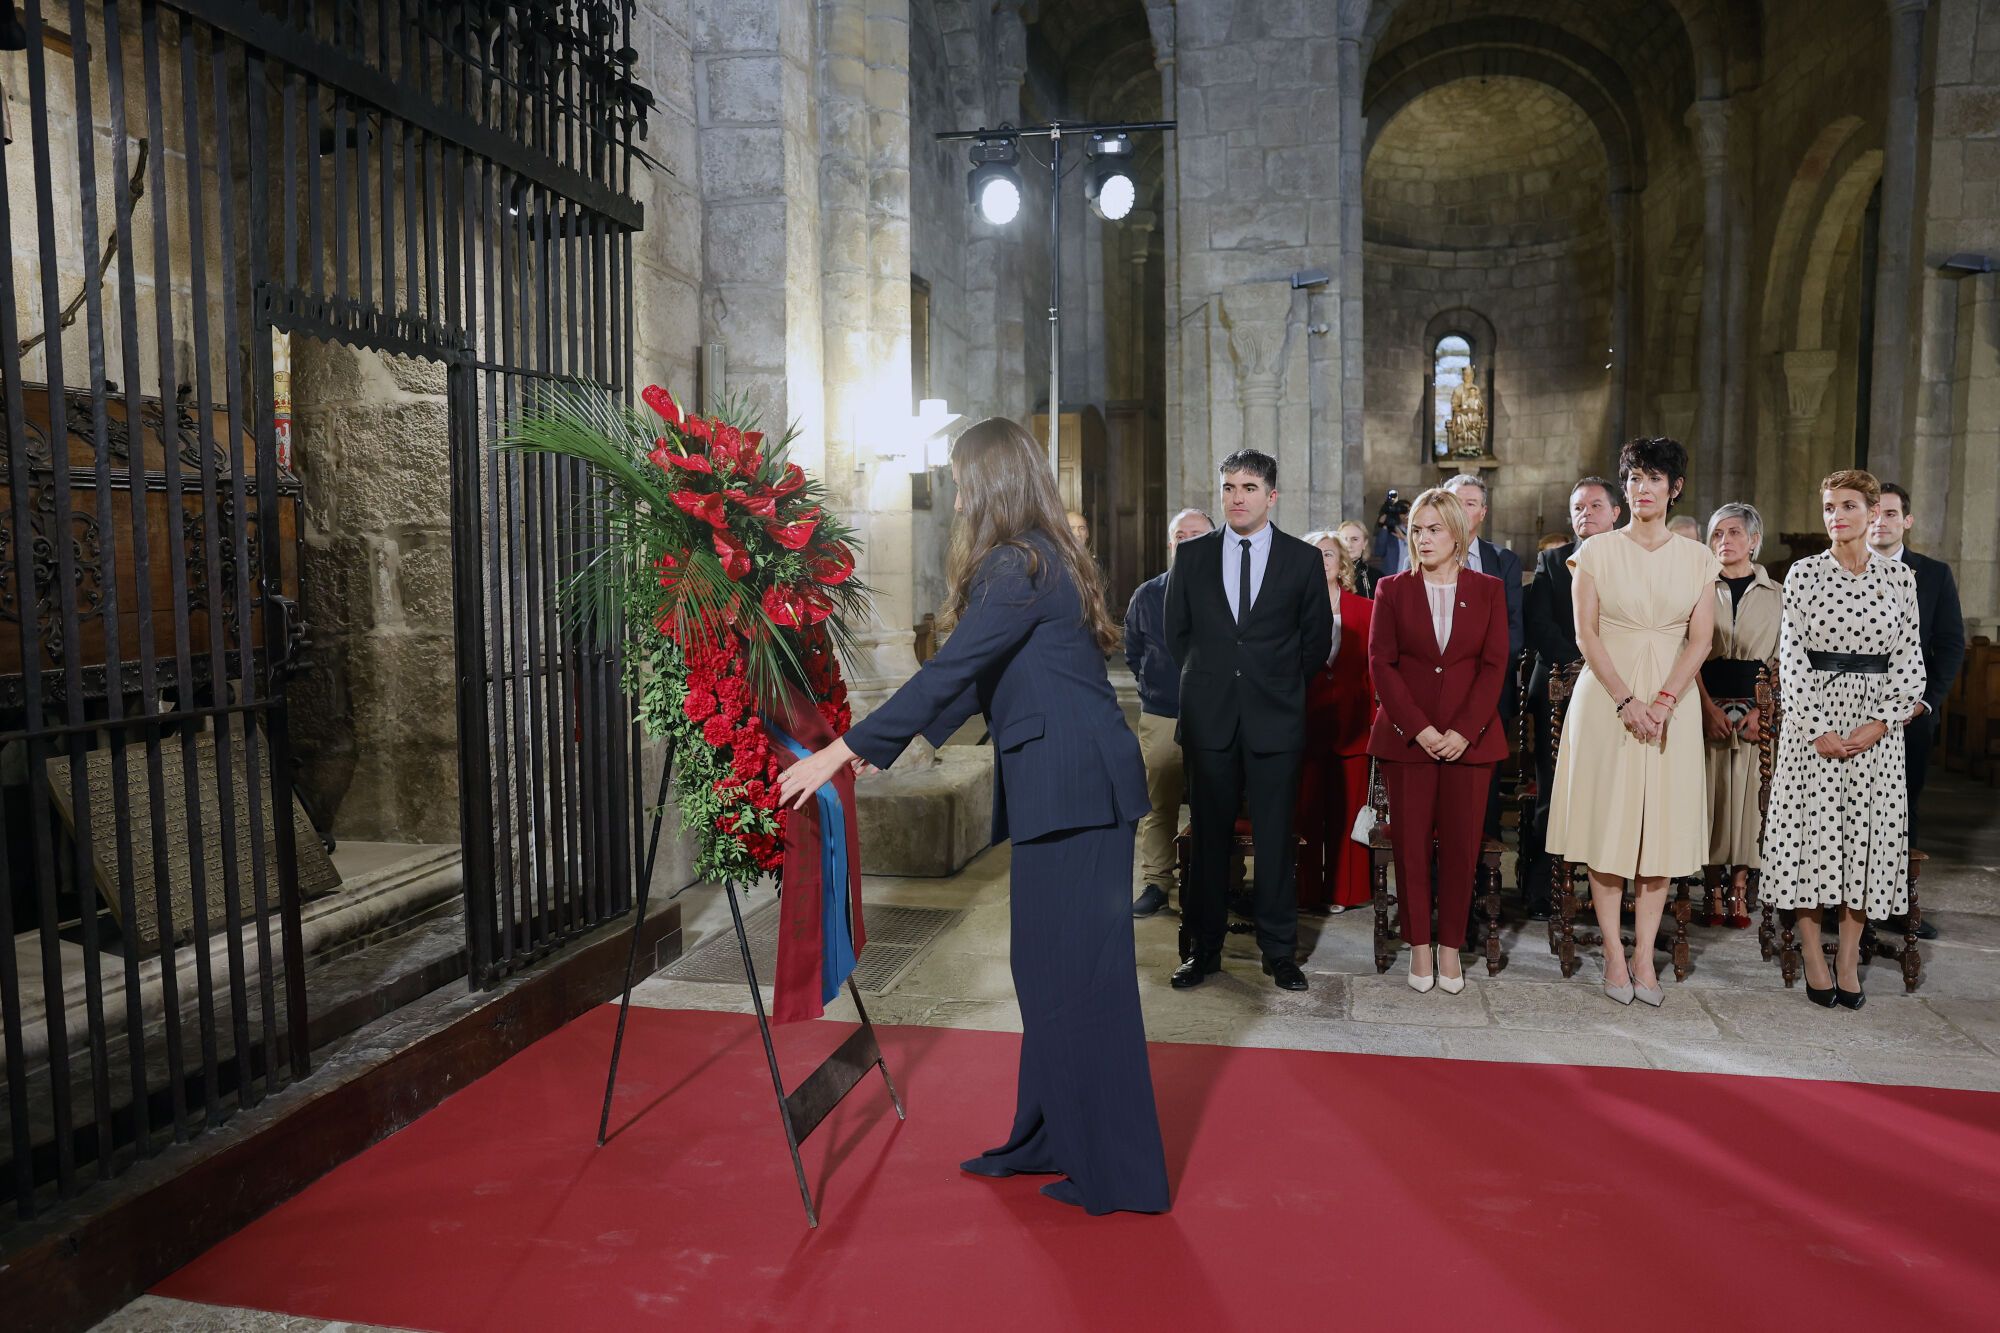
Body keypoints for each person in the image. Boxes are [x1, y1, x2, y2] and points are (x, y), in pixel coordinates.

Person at [776, 417, 1167, 1214]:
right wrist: (893, 745)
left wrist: (837, 753)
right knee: (1048, 971)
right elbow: (966, 680)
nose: (955, 496)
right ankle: (1049, 1135)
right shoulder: (1036, 557)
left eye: (961, 480)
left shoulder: (1015, 563)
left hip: (1076, 788)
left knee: (1081, 982)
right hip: (1070, 784)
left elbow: (949, 668)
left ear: (990, 482)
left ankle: (1119, 1171)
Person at [1546, 438, 1719, 1007]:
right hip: (1606, 701)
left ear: (1675, 489)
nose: (1643, 489)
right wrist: (1626, 701)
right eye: (1634, 479)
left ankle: (1646, 955)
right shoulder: (1595, 552)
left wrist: (1667, 700)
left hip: (1673, 701)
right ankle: (1615, 961)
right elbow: (1586, 634)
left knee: (1660, 832)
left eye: (1654, 479)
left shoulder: (1697, 558)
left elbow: (1701, 639)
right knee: (1609, 828)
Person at [1164, 448, 1333, 992]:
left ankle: (1280, 952)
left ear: (1272, 495)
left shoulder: (1301, 560)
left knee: (1276, 841)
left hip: (1275, 721)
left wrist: (1274, 688)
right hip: (1210, 720)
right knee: (1209, 841)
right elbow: (1177, 638)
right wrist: (1215, 684)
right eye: (1230, 487)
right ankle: (1203, 950)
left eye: (1249, 488)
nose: (1238, 497)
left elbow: (1313, 643)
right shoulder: (1191, 559)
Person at [1762, 470, 1926, 1010]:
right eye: (1829, 506)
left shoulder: (1900, 580)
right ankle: (1813, 954)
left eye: (1849, 506)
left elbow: (1909, 662)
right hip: (1814, 727)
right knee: (1810, 840)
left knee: (1866, 840)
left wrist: (1880, 723)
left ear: (1874, 512)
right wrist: (1817, 729)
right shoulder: (1804, 575)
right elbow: (1790, 658)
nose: (1837, 516)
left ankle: (1849, 959)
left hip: (1877, 729)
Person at [1367, 489, 1510, 992]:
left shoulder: (1489, 589)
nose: (1423, 539)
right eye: (1417, 530)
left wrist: (1463, 732)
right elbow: (1381, 664)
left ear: (1458, 533)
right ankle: (1420, 950)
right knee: (1410, 849)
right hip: (1408, 740)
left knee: (1460, 847)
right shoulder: (1391, 588)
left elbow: (1495, 666)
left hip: (1471, 742)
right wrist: (1421, 729)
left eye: (1434, 529)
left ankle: (1451, 949)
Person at [1518, 477, 1625, 918]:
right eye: (1578, 507)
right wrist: (1583, 664)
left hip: (1621, 686)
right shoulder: (1552, 560)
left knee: (1616, 790)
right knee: (1552, 788)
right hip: (1558, 686)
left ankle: (1614, 885)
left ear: (1616, 512)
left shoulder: (1631, 559)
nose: (1586, 514)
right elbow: (1539, 624)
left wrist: (1609, 669)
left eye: (1596, 506)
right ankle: (1542, 888)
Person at [1868, 482, 1965, 941]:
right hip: (1851, 710)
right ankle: (1837, 900)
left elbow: (1948, 647)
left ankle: (1895, 904)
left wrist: (1926, 703)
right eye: (1873, 513)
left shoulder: (1934, 574)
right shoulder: (1838, 570)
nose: (1879, 522)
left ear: (1906, 521)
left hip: (1911, 718)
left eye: (1890, 514)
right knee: (1847, 805)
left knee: (1902, 808)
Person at [1694, 503, 1781, 928]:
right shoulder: (1697, 588)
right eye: (1716, 534)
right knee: (1710, 797)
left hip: (1756, 712)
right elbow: (1686, 654)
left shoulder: (1779, 595)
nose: (1724, 541)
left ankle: (1740, 888)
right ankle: (1711, 886)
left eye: (1733, 533)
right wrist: (1706, 706)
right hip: (1705, 704)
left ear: (1753, 540)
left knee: (1749, 803)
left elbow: (1785, 660)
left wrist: (1762, 713)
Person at [1127, 507, 1215, 918]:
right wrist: (1156, 688)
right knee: (1159, 803)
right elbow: (1133, 652)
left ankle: (1219, 881)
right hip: (1163, 713)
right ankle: (1157, 881)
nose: (1189, 541)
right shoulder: (1147, 594)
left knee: (1216, 802)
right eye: (1182, 535)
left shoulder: (1231, 592)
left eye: (1198, 534)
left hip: (1215, 715)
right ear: (1170, 543)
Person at [1440, 474, 1523, 854]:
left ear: (1483, 512)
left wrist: (1479, 681)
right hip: (1436, 694)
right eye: (1455, 500)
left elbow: (1512, 632)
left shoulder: (1503, 562)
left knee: (1482, 790)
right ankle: (1436, 888)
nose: (1462, 508)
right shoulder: (1424, 554)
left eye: (1470, 502)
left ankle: (1476, 889)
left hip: (1488, 693)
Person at [1295, 530, 1376, 915]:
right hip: (1305, 725)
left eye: (1329, 554)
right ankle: (1306, 891)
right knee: (1306, 811)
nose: (1321, 560)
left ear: (1342, 563)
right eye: (1313, 554)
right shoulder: (1289, 608)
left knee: (1347, 814)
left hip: (1353, 726)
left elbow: (1376, 673)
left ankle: (1346, 891)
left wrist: (1376, 723)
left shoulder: (1366, 609)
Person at [1338, 519, 1380, 597]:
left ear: (1365, 543)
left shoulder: (1377, 578)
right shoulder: (1329, 573)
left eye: (1355, 539)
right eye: (1344, 539)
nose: (1349, 545)